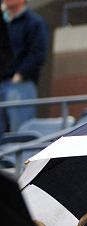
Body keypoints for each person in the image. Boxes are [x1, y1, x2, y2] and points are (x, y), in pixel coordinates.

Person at [0, 0, 48, 133]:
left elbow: (38, 54)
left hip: (20, 85)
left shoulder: (35, 22)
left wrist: (19, 75)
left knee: (19, 133)